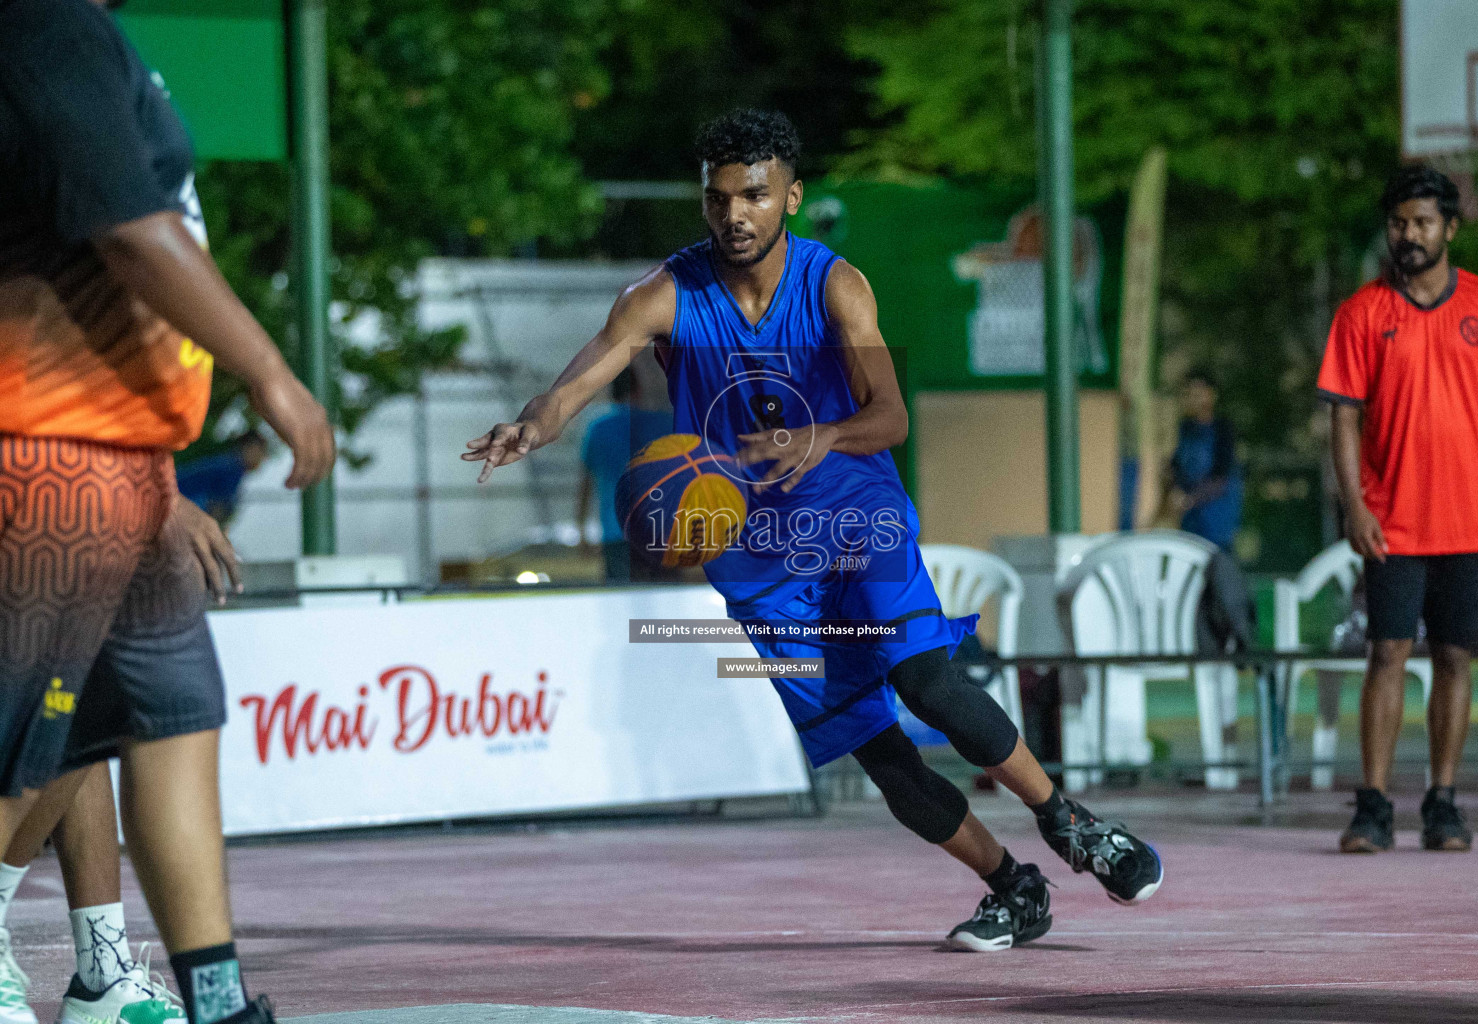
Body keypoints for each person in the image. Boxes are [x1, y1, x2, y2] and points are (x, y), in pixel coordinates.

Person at [465, 109, 1163, 951]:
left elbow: (892, 416)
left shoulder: (837, 285)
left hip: (855, 517)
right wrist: (529, 426)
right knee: (877, 751)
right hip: (757, 562)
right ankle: (1012, 886)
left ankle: (1069, 822)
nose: (735, 214)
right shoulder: (663, 296)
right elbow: (578, 381)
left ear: (790, 197)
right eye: (719, 198)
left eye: (754, 195)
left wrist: (821, 437)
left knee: (925, 681)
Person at [0, 1, 335, 1021]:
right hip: (51, 446)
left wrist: (161, 472)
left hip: (123, 453)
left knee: (171, 721)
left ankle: (216, 1001)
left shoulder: (85, 33)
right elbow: (132, 230)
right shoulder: (42, 24)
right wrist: (273, 372)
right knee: (26, 750)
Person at [1318, 165, 1478, 854]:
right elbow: (1344, 420)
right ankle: (1374, 804)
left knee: (1455, 657)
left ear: (1450, 228)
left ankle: (1443, 801)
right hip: (1392, 519)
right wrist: (1354, 505)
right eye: (1398, 223)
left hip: (1470, 519)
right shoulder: (1362, 314)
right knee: (1386, 653)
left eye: (1421, 223)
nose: (1407, 235)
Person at [0, 496, 241, 1024]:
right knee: (142, 708)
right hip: (58, 489)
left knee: (101, 708)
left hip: (102, 493)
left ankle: (109, 974)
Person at [576, 368, 674, 582]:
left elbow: (586, 483)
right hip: (661, 531)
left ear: (612, 393)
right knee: (667, 600)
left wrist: (581, 529)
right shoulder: (664, 424)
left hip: (616, 532)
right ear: (639, 391)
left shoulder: (598, 429)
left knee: (621, 603)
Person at [1160, 368, 1244, 551]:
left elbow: (1220, 477)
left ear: (1211, 395)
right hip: (1190, 523)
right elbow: (1175, 468)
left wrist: (1190, 499)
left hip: (1216, 523)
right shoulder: (1184, 430)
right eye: (1188, 393)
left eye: (1198, 393)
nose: (1192, 398)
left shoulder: (1223, 429)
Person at [176, 431, 270, 527]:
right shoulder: (233, 471)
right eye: (261, 452)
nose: (262, 459)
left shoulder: (227, 462)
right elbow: (214, 513)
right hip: (176, 510)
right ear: (250, 447)